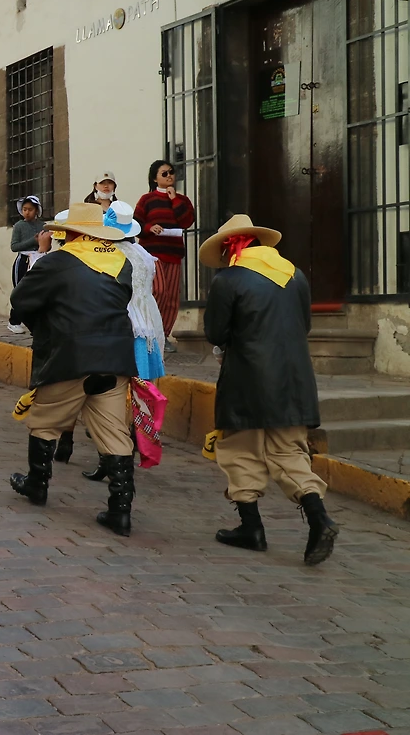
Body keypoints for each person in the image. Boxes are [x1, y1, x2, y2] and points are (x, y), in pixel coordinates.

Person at [200, 215, 337, 565]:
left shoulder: (228, 279)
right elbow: (304, 325)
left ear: (231, 247)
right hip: (294, 377)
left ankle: (252, 528)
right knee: (289, 451)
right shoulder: (295, 275)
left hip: (247, 377)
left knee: (240, 450)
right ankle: (319, 517)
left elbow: (216, 332)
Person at [8, 202, 138, 536]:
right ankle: (120, 510)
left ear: (70, 233)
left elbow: (21, 300)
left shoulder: (58, 261)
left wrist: (44, 327)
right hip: (116, 355)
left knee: (45, 421)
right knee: (114, 430)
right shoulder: (121, 262)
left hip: (70, 354)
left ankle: (37, 484)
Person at [79, 201, 168, 480]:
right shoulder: (143, 253)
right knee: (138, 394)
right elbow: (156, 289)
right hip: (148, 327)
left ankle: (111, 458)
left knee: (110, 397)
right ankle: (130, 447)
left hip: (120, 326)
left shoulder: (109, 254)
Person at [135, 160, 195, 352]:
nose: (169, 176)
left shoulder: (182, 200)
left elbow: (187, 221)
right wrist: (149, 227)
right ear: (155, 178)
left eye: (171, 172)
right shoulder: (147, 199)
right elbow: (136, 224)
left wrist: (174, 199)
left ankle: (164, 335)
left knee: (171, 297)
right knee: (159, 291)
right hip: (152, 254)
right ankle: (151, 331)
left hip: (173, 253)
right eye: (164, 173)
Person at [10, 195, 45, 286]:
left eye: (30, 209)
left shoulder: (43, 226)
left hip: (40, 260)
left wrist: (43, 242)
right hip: (24, 261)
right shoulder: (19, 226)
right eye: (24, 209)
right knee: (21, 287)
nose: (27, 212)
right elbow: (14, 247)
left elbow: (48, 247)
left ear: (36, 210)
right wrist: (33, 241)